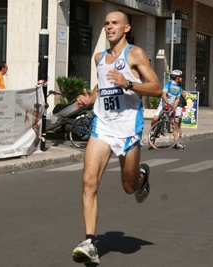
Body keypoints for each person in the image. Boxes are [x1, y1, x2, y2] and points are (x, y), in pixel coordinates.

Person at [71, 11, 162, 265]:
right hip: (103, 126)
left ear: (126, 28)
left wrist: (129, 84)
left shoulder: (135, 54)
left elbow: (156, 87)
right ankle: (89, 242)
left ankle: (141, 176)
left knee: (128, 187)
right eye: (106, 23)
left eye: (114, 23)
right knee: (89, 180)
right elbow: (102, 85)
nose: (110, 27)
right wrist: (89, 99)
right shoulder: (99, 57)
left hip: (128, 128)